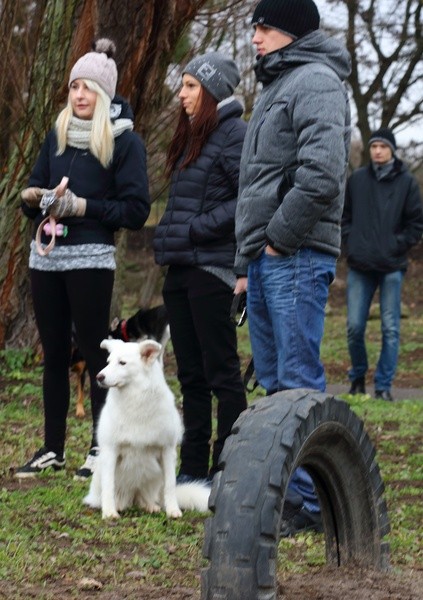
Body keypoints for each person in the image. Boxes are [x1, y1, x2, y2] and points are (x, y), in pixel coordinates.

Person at [234, 0, 351, 535]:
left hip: (297, 254)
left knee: (297, 382)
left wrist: (279, 241)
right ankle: (287, 495)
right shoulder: (277, 86)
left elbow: (322, 175)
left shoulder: (317, 81)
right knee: (275, 382)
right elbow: (256, 185)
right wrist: (246, 263)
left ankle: (308, 502)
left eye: (265, 27)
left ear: (293, 32)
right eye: (255, 26)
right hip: (266, 257)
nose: (255, 36)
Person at [16, 39, 150, 480]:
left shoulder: (125, 143)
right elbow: (34, 189)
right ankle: (52, 448)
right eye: (74, 86)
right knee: (55, 354)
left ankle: (99, 447)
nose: (79, 95)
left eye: (88, 87)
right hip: (47, 257)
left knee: (97, 355)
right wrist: (34, 198)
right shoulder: (55, 135)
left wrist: (84, 207)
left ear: (104, 93)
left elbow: (135, 210)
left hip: (91, 257)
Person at [153, 52, 247, 483]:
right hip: (180, 270)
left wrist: (197, 229)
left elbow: (248, 198)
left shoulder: (233, 135)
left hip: (212, 269)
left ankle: (227, 469)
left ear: (211, 90)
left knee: (222, 375)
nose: (182, 94)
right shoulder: (195, 135)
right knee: (191, 375)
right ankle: (192, 472)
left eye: (190, 86)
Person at [342, 128, 423, 401]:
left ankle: (383, 386)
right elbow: (344, 216)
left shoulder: (407, 182)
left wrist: (395, 244)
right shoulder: (357, 180)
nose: (377, 150)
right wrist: (351, 241)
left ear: (392, 150)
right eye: (374, 145)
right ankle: (357, 379)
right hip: (360, 264)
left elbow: (416, 225)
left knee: (390, 328)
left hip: (391, 266)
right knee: (354, 326)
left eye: (382, 146)